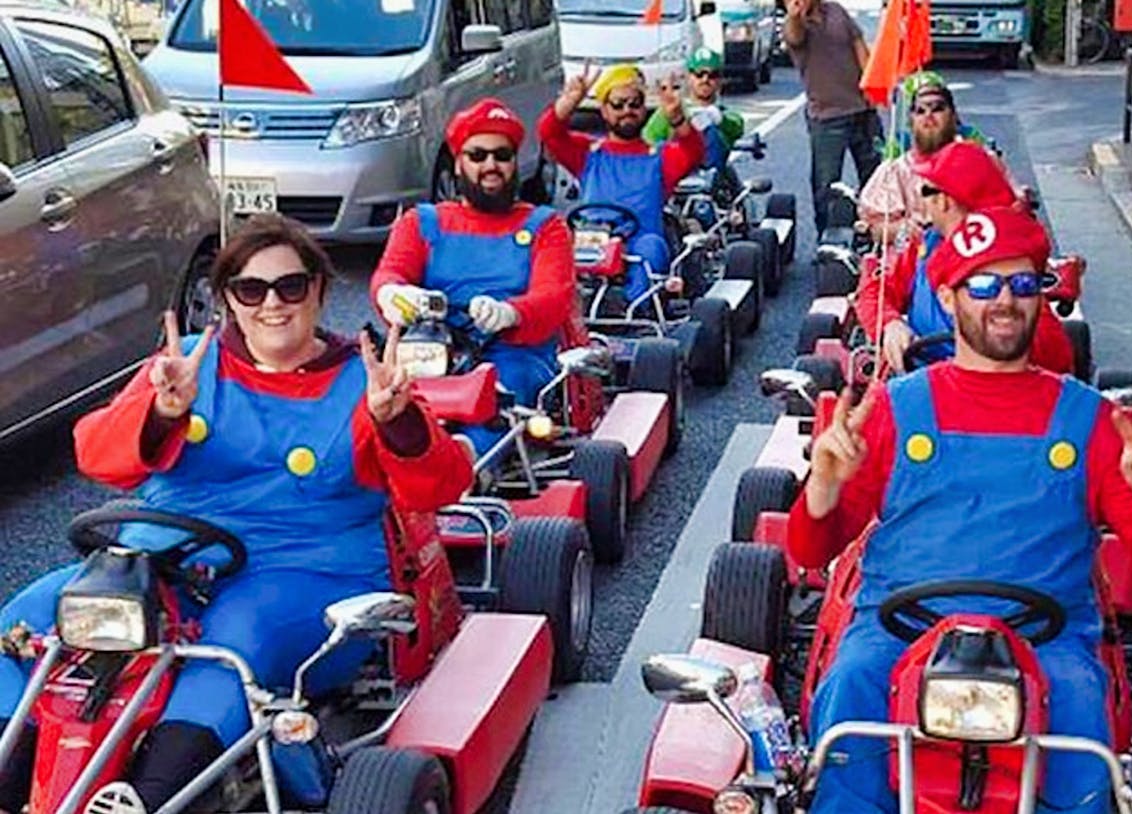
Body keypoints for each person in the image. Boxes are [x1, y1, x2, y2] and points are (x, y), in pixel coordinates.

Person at [0, 214, 473, 813]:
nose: (271, 304)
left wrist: (395, 420)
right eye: (251, 290)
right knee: (27, 619)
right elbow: (97, 455)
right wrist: (161, 410)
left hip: (305, 572)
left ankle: (147, 798)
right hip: (162, 558)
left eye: (290, 287)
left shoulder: (367, 378)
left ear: (320, 291)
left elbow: (440, 487)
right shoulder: (189, 365)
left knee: (233, 642)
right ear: (227, 300)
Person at [789, 205, 1132, 814]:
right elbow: (810, 553)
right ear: (949, 300)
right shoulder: (893, 408)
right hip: (899, 633)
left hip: (1049, 639)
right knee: (850, 687)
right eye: (984, 284)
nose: (1005, 300)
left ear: (1040, 298)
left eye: (1023, 284)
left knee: (1086, 713)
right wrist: (822, 487)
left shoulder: (1095, 421)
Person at [373, 98, 576, 456]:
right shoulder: (421, 223)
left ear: (515, 163)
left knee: (500, 391)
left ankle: (467, 461)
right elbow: (390, 273)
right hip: (431, 346)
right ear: (458, 164)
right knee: (376, 389)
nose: (491, 165)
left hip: (513, 351)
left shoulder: (545, 226)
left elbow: (554, 296)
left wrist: (511, 313)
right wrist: (393, 294)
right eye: (478, 156)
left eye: (502, 155)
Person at [855, 140, 1075, 375]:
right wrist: (890, 323)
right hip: (921, 375)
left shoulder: (1010, 262)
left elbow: (1055, 358)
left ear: (944, 200)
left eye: (925, 191)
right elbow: (875, 292)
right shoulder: (922, 245)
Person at [539, 63, 705, 302]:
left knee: (651, 247)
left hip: (639, 244)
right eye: (618, 104)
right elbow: (549, 133)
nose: (627, 110)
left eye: (634, 104)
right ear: (605, 111)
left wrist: (678, 119)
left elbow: (694, 152)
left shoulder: (659, 157)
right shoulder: (588, 153)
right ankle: (561, 309)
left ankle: (632, 308)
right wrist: (570, 102)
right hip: (592, 241)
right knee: (550, 244)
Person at [857, 71, 1007, 245]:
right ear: (911, 122)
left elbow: (1013, 210)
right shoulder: (894, 170)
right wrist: (902, 230)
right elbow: (873, 227)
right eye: (920, 111)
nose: (928, 116)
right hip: (914, 259)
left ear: (953, 116)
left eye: (937, 108)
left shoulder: (983, 161)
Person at [783, 0, 883, 235]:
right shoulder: (796, 25)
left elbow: (858, 45)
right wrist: (795, 15)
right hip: (827, 117)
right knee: (826, 184)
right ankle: (826, 238)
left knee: (877, 177)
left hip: (863, 110)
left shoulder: (836, 10)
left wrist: (872, 87)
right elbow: (794, 36)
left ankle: (877, 233)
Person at [644, 47, 746, 171]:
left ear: (720, 80)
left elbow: (737, 126)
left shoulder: (724, 116)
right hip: (677, 178)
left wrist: (717, 119)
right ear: (689, 76)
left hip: (714, 179)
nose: (705, 80)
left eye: (712, 75)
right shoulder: (672, 110)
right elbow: (648, 139)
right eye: (699, 74)